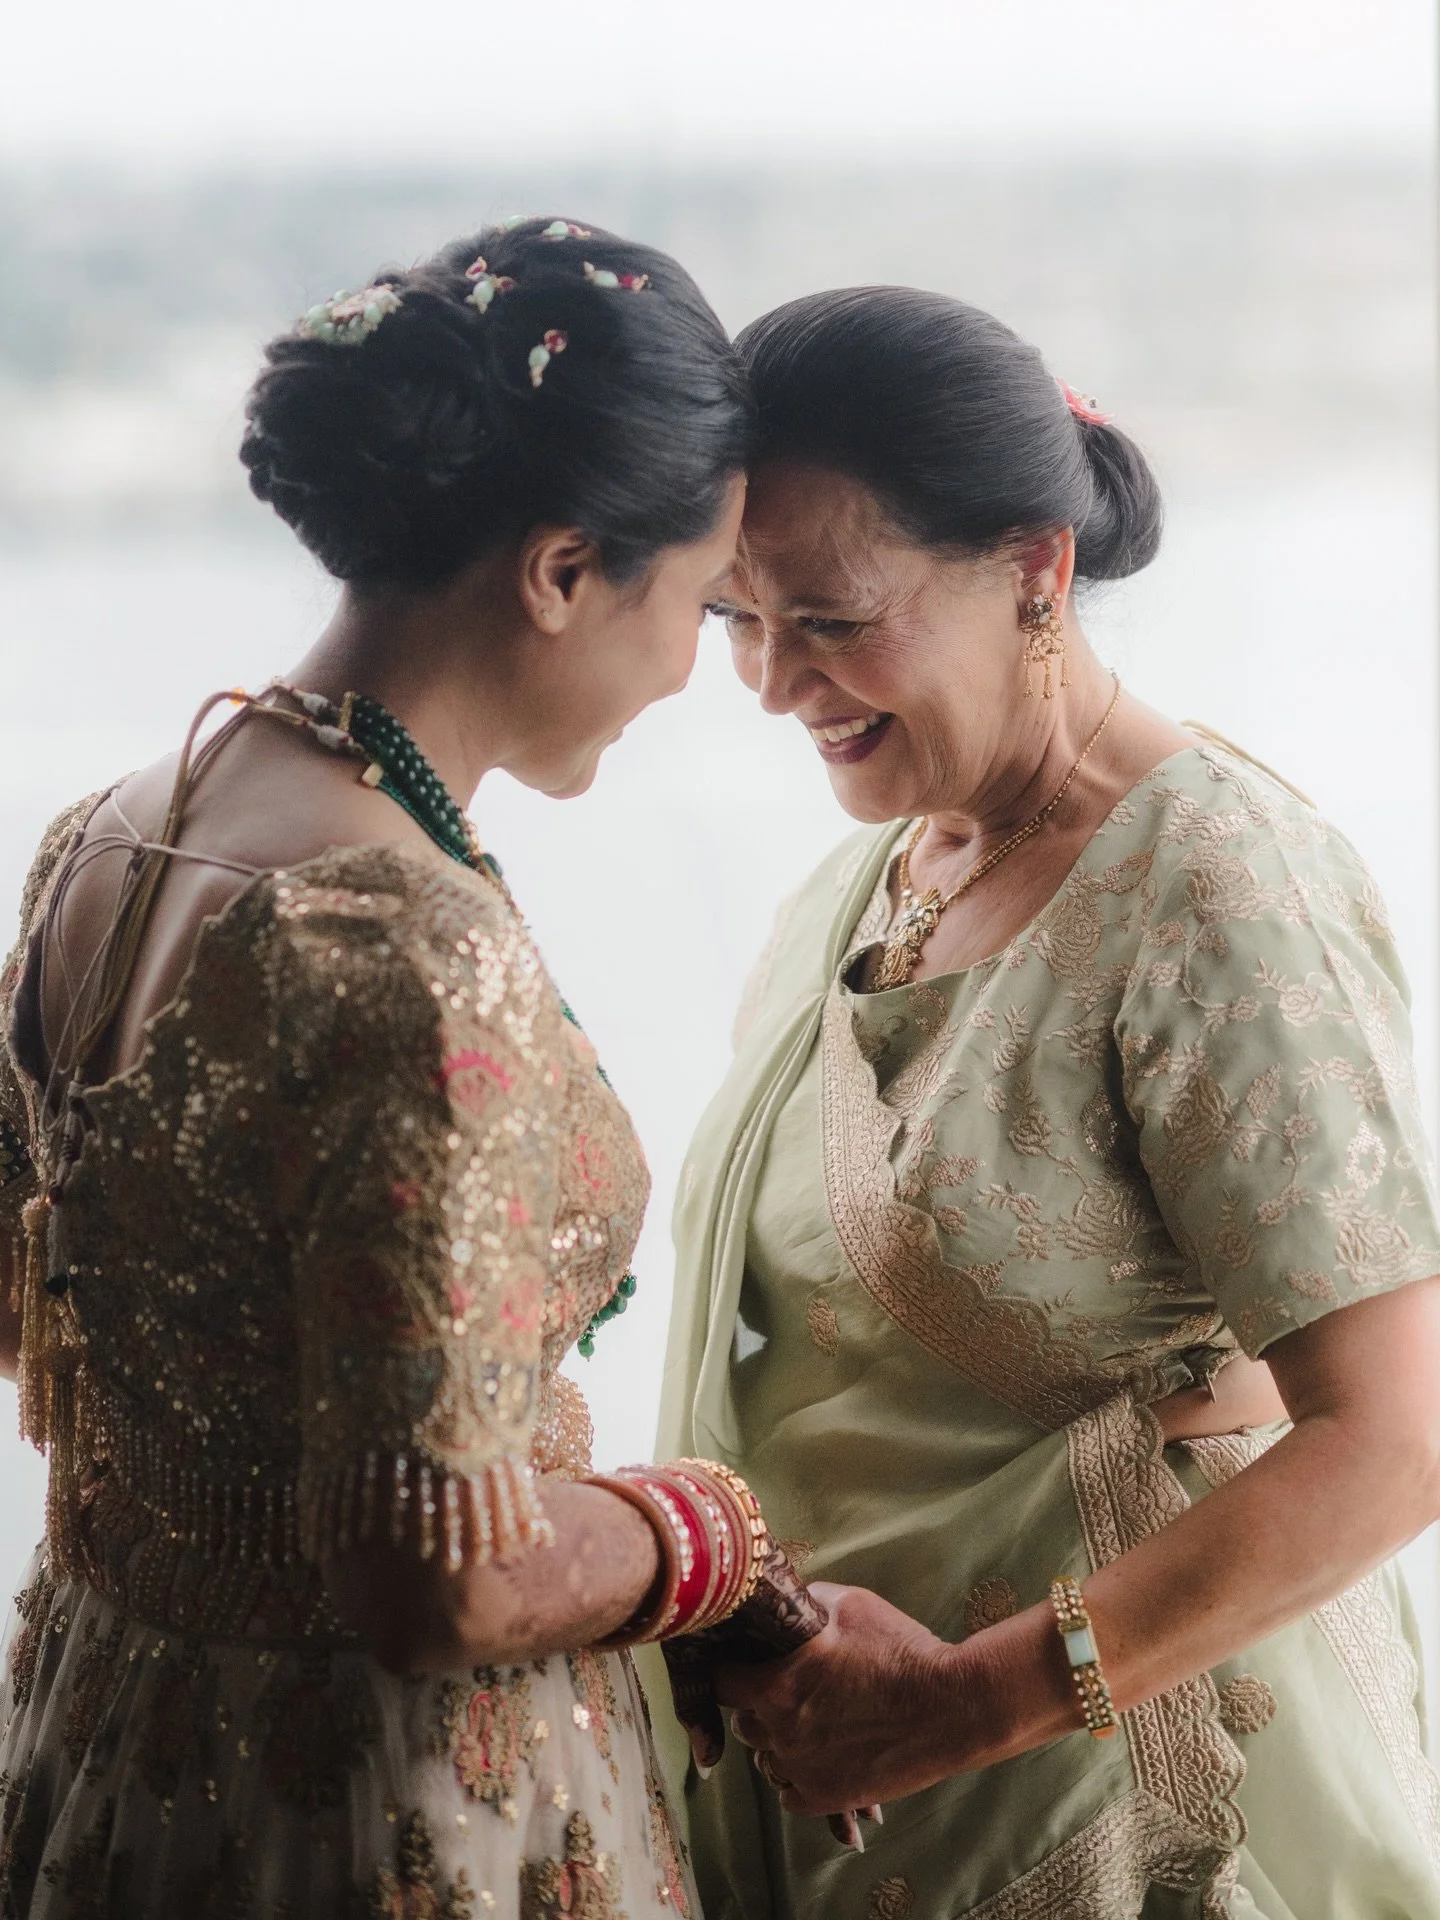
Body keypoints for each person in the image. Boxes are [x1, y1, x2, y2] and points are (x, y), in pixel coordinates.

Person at [0, 215, 798, 1918]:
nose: (693, 670)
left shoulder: (116, 832)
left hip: (130, 1734)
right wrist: (710, 1537)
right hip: (380, 1801)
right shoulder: (400, 943)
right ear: (565, 569)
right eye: (702, 601)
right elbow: (444, 1584)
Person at [652, 286, 1440, 1919]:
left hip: (1122, 1798)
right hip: (847, 1788)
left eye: (830, 618)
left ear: (1035, 567)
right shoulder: (884, 868)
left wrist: (967, 1704)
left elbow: (1397, 1440)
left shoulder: (1217, 893)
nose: (772, 681)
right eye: (737, 616)